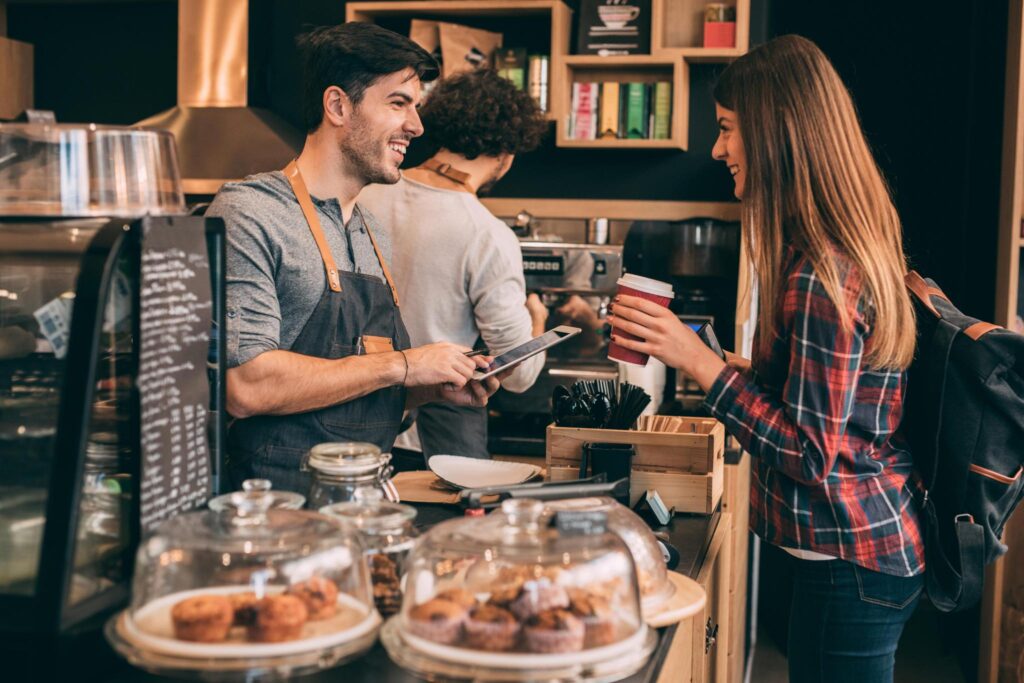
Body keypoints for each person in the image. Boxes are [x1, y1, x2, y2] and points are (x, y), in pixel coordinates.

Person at [607, 35, 924, 683]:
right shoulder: (837, 250)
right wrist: (727, 366)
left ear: (776, 133)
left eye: (727, 129)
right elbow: (823, 406)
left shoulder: (818, 276)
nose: (718, 148)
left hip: (852, 560)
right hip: (858, 554)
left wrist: (701, 364)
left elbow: (811, 452)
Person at [207, 23, 499, 494]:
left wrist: (430, 387)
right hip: (276, 513)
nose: (417, 127)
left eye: (416, 107)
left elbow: (353, 395)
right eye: (399, 103)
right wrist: (405, 365)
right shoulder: (251, 211)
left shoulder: (369, 230)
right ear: (338, 105)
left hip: (361, 502)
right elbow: (246, 386)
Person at [358, 68, 549, 461]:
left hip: (350, 420)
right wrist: (537, 319)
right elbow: (519, 375)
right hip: (435, 443)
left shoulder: (365, 194)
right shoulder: (487, 234)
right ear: (507, 155)